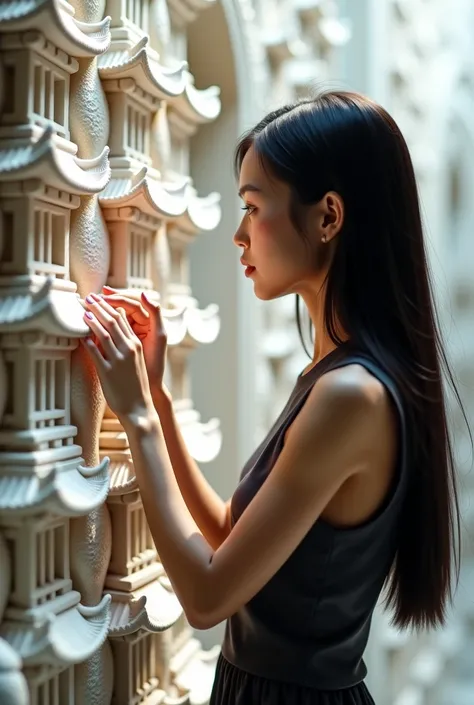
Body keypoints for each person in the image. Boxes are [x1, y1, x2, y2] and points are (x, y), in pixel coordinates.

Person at [81, 90, 465, 705]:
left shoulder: (351, 395)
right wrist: (156, 398)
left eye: (253, 206)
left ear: (328, 217)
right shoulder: (334, 375)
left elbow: (208, 598)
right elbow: (231, 537)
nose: (238, 235)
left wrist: (136, 419)